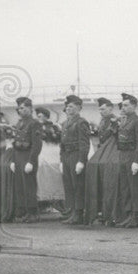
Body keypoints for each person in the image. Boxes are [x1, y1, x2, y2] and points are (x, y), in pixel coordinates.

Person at [85, 97, 121, 225]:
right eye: (100, 109)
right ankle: (102, 212)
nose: (101, 111)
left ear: (111, 108)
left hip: (110, 151)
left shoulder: (114, 121)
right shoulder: (103, 120)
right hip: (102, 151)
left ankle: (108, 213)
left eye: (103, 109)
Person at [116, 93, 138, 228]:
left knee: (135, 188)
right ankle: (128, 215)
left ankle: (135, 217)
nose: (123, 107)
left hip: (133, 156)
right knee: (125, 188)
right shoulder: (124, 120)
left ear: (134, 106)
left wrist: (137, 160)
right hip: (123, 156)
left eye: (126, 105)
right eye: (122, 105)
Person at [59, 95, 91, 225]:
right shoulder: (65, 123)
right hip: (66, 155)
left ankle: (78, 213)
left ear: (79, 108)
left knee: (78, 185)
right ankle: (71, 212)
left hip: (76, 155)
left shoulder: (81, 122)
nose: (68, 109)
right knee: (69, 186)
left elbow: (84, 143)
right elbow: (62, 143)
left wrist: (81, 161)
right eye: (67, 107)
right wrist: (61, 160)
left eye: (71, 106)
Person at [10, 96, 42, 223]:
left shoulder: (34, 124)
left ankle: (33, 212)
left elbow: (37, 144)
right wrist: (13, 160)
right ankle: (23, 211)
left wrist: (31, 161)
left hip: (28, 156)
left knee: (29, 185)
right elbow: (14, 143)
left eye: (22, 108)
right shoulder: (19, 123)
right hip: (18, 156)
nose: (20, 110)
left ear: (30, 108)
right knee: (20, 186)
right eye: (19, 108)